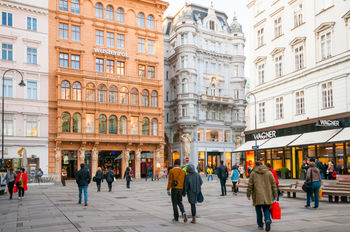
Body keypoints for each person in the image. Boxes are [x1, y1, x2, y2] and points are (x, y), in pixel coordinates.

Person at [247, 162, 277, 232]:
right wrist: (275, 195)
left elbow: (250, 185)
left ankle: (260, 224)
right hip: (267, 195)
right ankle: (267, 219)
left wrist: (248, 194)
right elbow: (273, 184)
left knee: (258, 210)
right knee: (266, 208)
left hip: (257, 195)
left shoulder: (253, 173)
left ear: (256, 166)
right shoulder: (269, 172)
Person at [167, 159, 187, 223]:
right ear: (179, 164)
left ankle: (176, 218)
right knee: (180, 201)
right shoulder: (183, 171)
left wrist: (168, 189)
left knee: (174, 203)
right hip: (181, 189)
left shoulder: (171, 171)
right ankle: (183, 212)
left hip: (174, 189)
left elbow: (170, 181)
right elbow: (184, 182)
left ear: (174, 164)